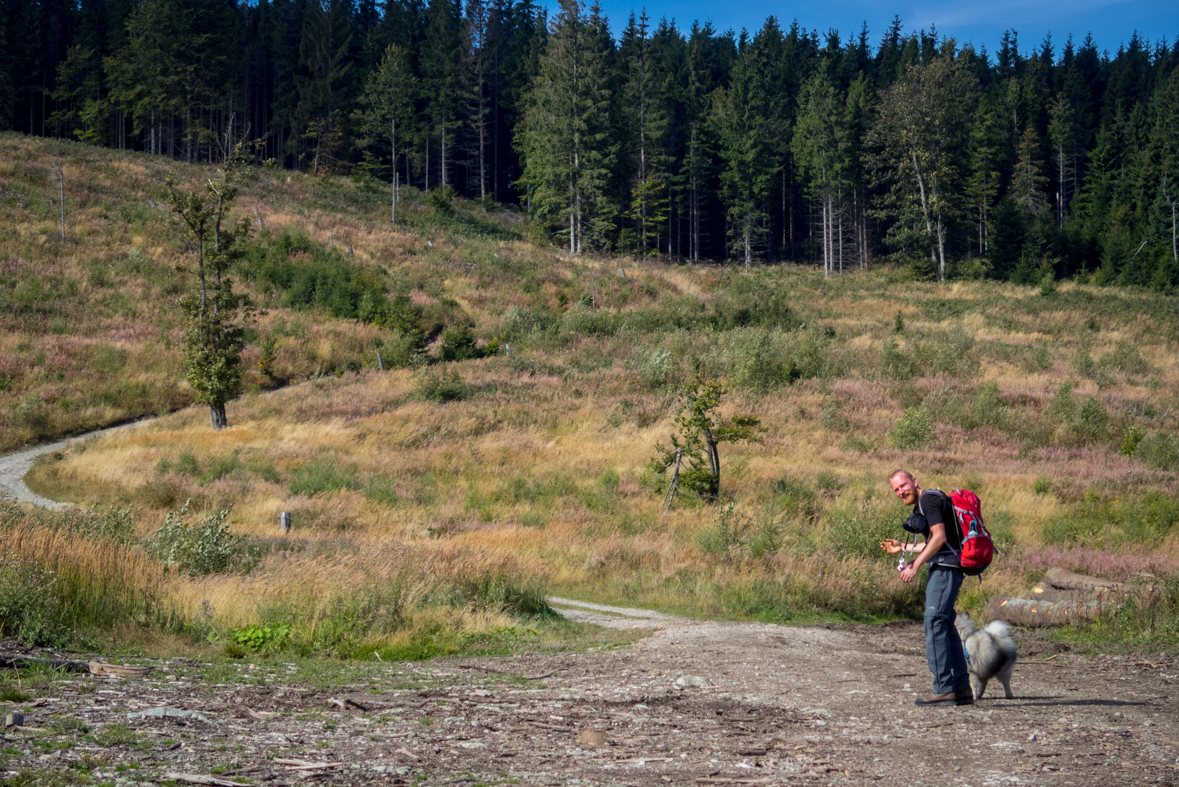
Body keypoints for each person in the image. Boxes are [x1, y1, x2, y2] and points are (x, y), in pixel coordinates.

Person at [880, 469, 972, 706]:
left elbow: (939, 537)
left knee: (933, 621)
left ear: (915, 481)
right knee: (944, 624)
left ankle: (943, 688)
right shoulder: (927, 501)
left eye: (904, 485)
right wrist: (903, 548)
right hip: (947, 566)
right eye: (896, 490)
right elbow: (935, 542)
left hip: (945, 569)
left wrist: (915, 566)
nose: (901, 491)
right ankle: (961, 688)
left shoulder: (928, 500)